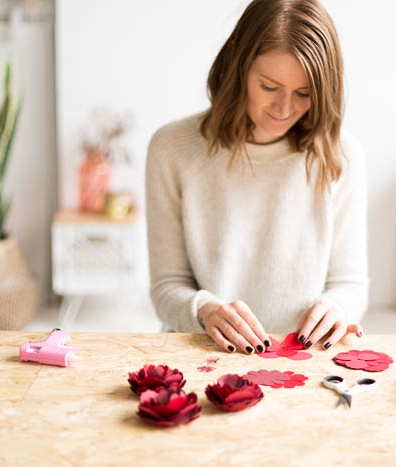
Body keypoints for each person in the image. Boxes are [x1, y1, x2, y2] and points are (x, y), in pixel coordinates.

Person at [146, 0, 368, 355]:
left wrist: (337, 308)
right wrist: (205, 311)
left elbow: (350, 284)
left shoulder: (341, 155)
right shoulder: (172, 148)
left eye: (304, 94)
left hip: (304, 360)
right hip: (204, 355)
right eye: (269, 86)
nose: (284, 110)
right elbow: (166, 288)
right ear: (238, 65)